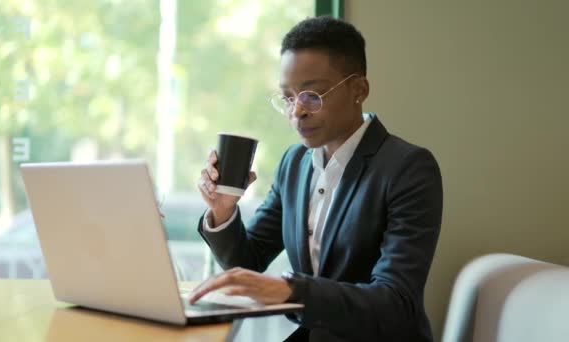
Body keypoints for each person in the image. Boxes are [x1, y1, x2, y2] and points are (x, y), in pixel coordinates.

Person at [189, 16, 443, 342]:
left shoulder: (408, 168)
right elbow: (246, 264)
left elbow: (396, 302)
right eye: (288, 97)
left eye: (312, 95)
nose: (297, 112)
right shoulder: (294, 164)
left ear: (359, 89)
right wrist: (223, 211)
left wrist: (290, 290)